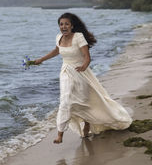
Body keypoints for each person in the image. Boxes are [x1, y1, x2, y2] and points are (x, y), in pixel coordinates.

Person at [35, 13, 133, 144]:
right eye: (61, 24)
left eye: (66, 24)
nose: (63, 27)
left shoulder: (78, 37)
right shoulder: (59, 37)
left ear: (72, 26)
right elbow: (56, 50)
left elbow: (87, 57)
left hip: (81, 72)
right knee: (65, 100)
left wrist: (84, 66)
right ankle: (60, 134)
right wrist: (41, 59)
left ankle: (87, 123)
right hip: (65, 72)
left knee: (84, 100)